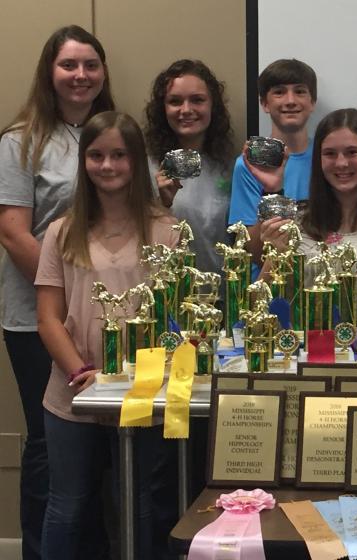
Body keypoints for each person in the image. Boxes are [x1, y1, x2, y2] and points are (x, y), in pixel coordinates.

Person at [35, 111, 178, 558]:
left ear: (136, 161)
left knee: (135, 506)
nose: (108, 165)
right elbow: (48, 318)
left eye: (119, 155)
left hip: (142, 392)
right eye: (96, 155)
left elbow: (176, 319)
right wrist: (81, 373)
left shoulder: (167, 230)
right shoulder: (61, 231)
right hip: (72, 393)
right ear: (84, 163)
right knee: (68, 506)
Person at [0, 25, 115, 560]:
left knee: (97, 445)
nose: (81, 75)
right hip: (36, 318)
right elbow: (13, 231)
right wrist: (64, 302)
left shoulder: (109, 136)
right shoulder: (20, 140)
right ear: (50, 72)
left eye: (91, 65)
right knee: (50, 444)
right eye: (69, 65)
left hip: (100, 316)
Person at [260, 109, 357, 306]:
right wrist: (275, 257)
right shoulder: (295, 223)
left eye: (352, 152)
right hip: (305, 336)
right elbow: (257, 305)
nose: (341, 163)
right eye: (330, 154)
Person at [145, 59, 235, 275]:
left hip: (220, 298)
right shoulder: (145, 168)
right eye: (175, 101)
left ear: (212, 105)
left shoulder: (230, 168)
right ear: (163, 109)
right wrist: (163, 204)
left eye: (197, 100)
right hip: (166, 296)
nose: (186, 110)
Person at [228, 58, 317, 264]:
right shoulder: (248, 165)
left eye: (300, 91)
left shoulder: (329, 158)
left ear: (313, 102)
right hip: (267, 283)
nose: (290, 100)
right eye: (279, 92)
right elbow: (250, 251)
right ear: (265, 104)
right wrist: (272, 194)